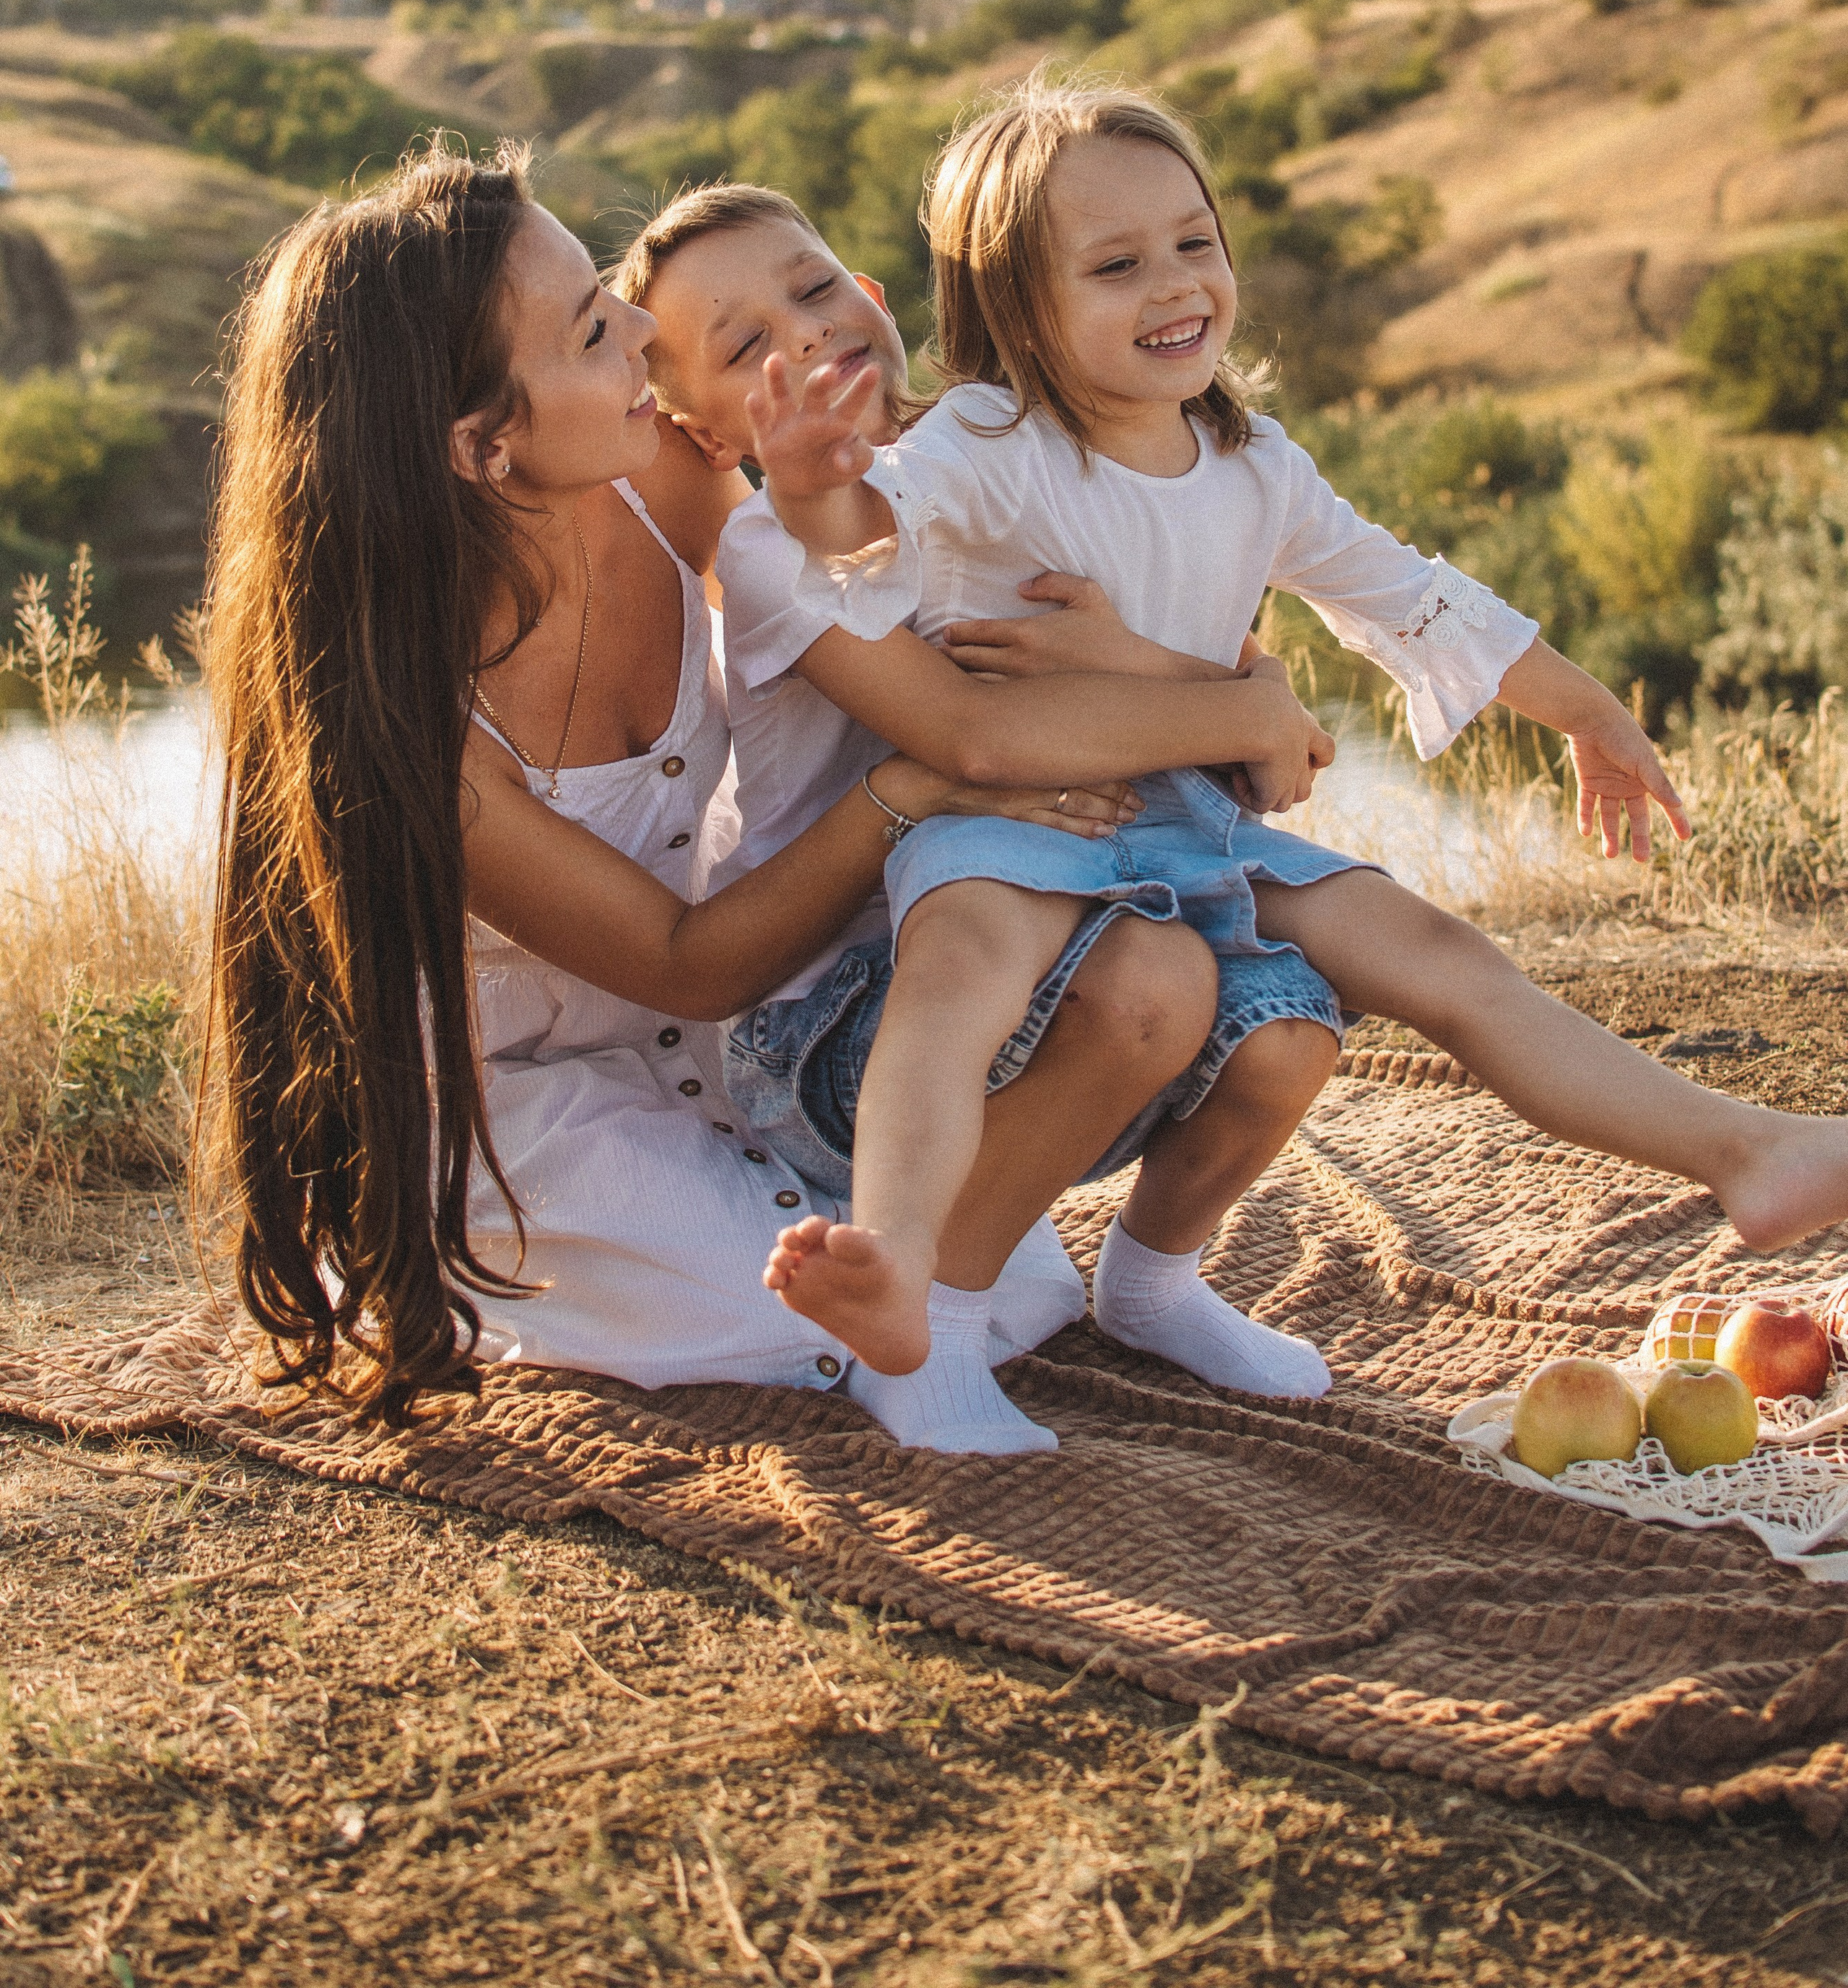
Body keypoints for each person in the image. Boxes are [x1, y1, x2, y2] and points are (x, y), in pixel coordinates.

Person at [733, 76, 1848, 1382]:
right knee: (959, 980)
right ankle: (898, 1268)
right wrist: (811, 487)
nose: (1174, 286)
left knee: (1430, 956)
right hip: (1023, 821)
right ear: (1013, 305)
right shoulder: (992, 435)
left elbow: (1417, 602)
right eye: (1115, 264)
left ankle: (1742, 1152)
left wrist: (1587, 710)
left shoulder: (1255, 464)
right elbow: (870, 544)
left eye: (1194, 244)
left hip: (1193, 825)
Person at [200, 136, 1254, 1436]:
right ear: (482, 445)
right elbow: (686, 960)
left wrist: (1157, 663)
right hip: (532, 1080)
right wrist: (916, 791)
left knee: (1008, 1279)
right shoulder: (408, 728)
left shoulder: (652, 476)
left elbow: (847, 594)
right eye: (594, 330)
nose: (644, 329)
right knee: (789, 1317)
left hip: (726, 1024)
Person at [622, 185, 1344, 1437]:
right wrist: (1252, 713)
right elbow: (979, 735)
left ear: (877, 294)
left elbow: (1162, 700)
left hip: (1041, 935)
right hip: (848, 1019)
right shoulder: (776, 549)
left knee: (1289, 1020)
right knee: (1153, 980)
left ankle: (1156, 1283)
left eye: (813, 288)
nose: (801, 340)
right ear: (695, 428)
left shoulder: (1001, 471)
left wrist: (1254, 696)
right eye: (744, 349)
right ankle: (928, 1324)